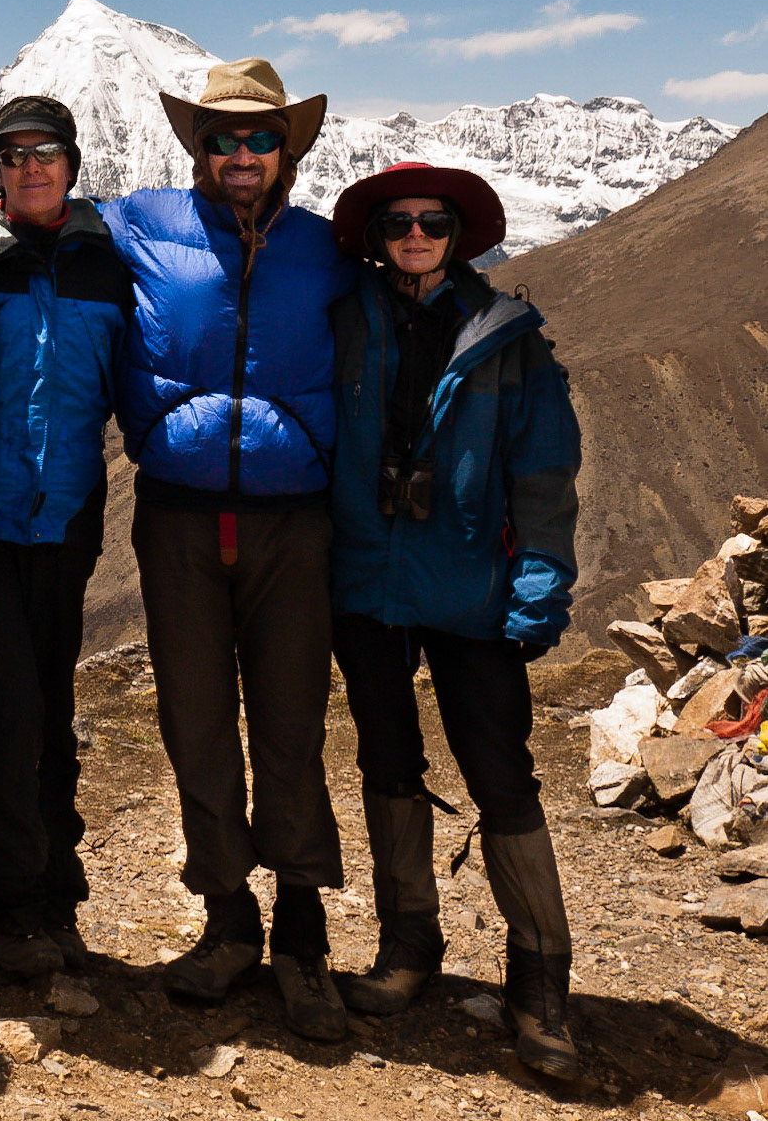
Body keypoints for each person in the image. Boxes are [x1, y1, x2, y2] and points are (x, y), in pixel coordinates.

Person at [102, 58, 356, 1041]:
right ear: (195, 147)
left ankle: (300, 933)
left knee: (289, 720)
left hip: (296, 519)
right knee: (196, 722)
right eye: (222, 137)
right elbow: (11, 224)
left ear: (285, 148)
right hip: (174, 515)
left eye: (258, 137)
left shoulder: (331, 249)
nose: (241, 153)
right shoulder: (138, 223)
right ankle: (227, 919)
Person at [327, 162, 583, 1079]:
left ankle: (540, 980)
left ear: (459, 233)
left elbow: (544, 473)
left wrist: (538, 583)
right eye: (397, 221)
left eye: (433, 221)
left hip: (471, 584)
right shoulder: (345, 317)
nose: (415, 234)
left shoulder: (509, 340)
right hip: (366, 577)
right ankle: (407, 946)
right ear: (375, 234)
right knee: (385, 760)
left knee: (499, 768)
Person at [0, 96, 132, 979]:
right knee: (3, 718)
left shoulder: (111, 259)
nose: (28, 166)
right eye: (10, 153)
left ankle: (57, 897)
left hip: (69, 521)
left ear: (71, 160)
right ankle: (10, 907)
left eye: (44, 151)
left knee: (51, 715)